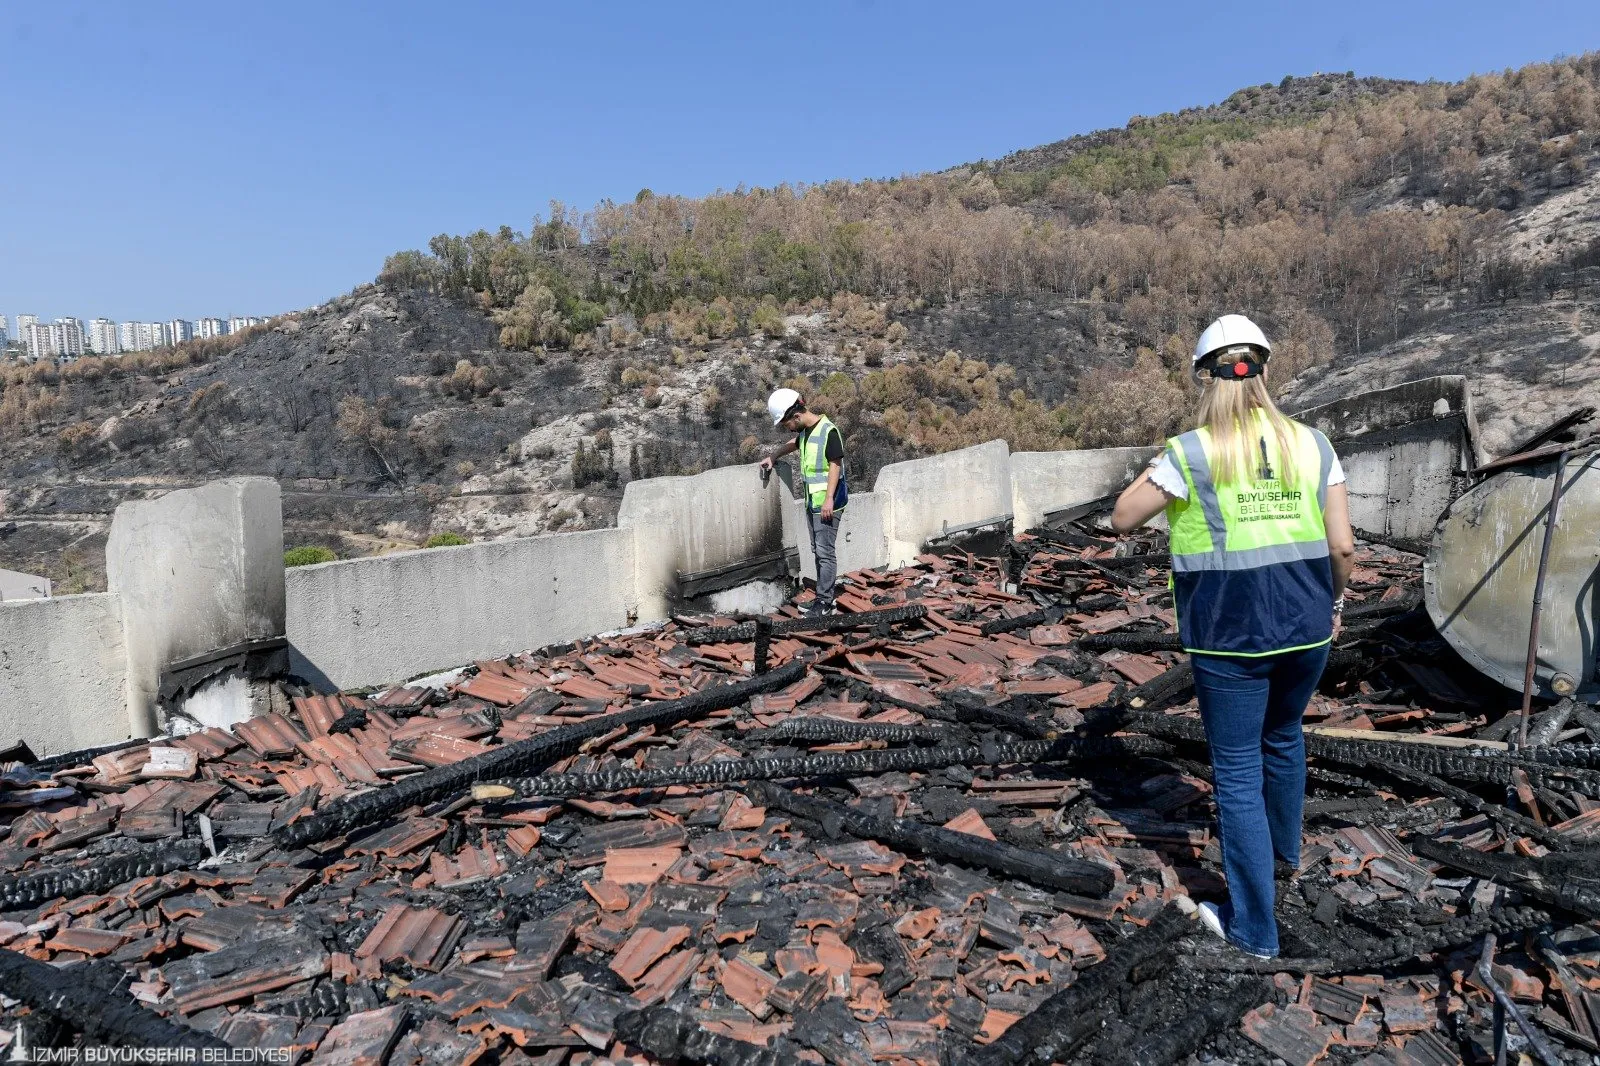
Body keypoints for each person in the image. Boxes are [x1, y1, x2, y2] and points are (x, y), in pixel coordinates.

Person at [1110, 314, 1357, 959]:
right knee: (1284, 736)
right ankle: (1283, 857)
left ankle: (1253, 929)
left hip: (1228, 636)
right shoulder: (1315, 444)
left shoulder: (1189, 452)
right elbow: (1342, 545)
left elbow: (1121, 517)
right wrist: (1332, 600)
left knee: (1238, 773)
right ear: (1265, 370)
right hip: (1308, 628)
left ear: (1206, 378)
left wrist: (1158, 466)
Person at [759, 388, 848, 614]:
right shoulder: (807, 432)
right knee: (818, 551)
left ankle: (825, 603)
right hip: (813, 503)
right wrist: (774, 456)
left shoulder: (829, 431)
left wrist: (828, 500)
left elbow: (835, 465)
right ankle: (822, 597)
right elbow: (794, 443)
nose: (787, 428)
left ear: (796, 417)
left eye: (786, 424)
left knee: (825, 553)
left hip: (828, 504)